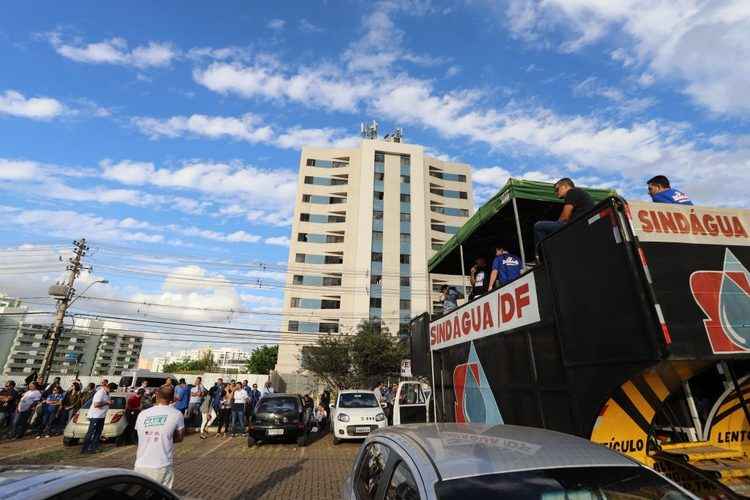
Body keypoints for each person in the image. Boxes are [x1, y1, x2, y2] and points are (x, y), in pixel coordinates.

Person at [134, 385, 184, 490]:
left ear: (156, 396)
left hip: (140, 465)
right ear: (172, 399)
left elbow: (139, 435)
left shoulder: (142, 414)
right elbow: (180, 437)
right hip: (162, 465)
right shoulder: (177, 414)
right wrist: (167, 437)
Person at [533, 178, 595, 258]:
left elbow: (565, 216)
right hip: (581, 226)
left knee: (539, 226)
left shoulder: (572, 192)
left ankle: (543, 257)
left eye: (557, 189)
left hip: (576, 226)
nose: (556, 193)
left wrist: (556, 225)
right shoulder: (579, 193)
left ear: (565, 186)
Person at [81, 380, 112, 454]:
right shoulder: (100, 393)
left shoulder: (107, 394)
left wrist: (108, 403)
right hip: (95, 416)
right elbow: (96, 405)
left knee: (98, 432)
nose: (112, 391)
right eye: (111, 389)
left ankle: (94, 447)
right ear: (107, 387)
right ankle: (85, 448)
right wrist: (106, 403)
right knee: (91, 432)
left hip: (101, 416)